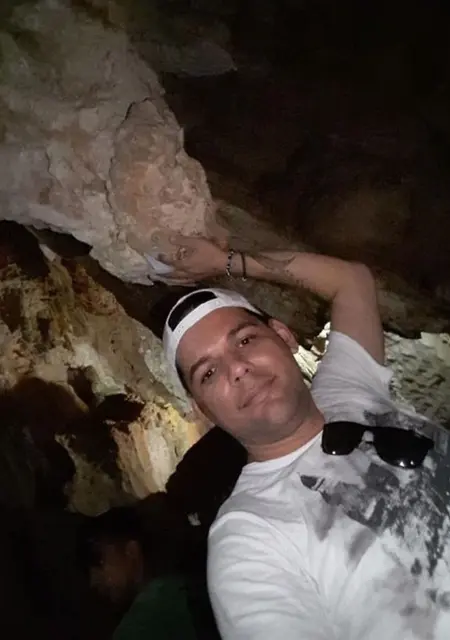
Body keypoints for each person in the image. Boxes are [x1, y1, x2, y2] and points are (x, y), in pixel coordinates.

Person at [160, 235, 450, 640]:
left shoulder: (348, 388)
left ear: (284, 335)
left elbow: (352, 280)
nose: (237, 368)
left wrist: (227, 261)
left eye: (245, 340)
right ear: (203, 410)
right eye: (208, 373)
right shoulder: (249, 537)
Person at [79, 503, 220, 639]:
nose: (94, 579)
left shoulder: (141, 625)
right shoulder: (195, 585)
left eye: (98, 561)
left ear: (131, 551)